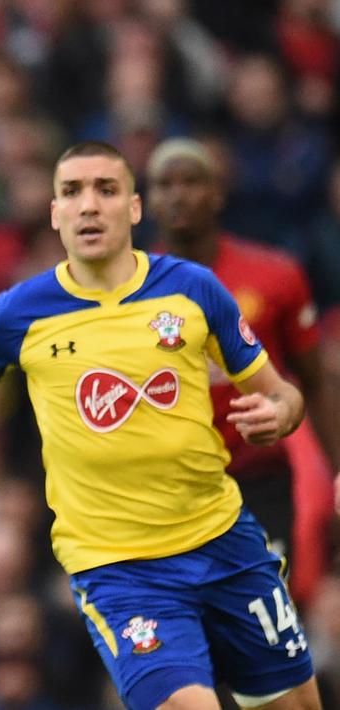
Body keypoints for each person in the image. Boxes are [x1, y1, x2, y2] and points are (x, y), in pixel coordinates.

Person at [0, 141, 323, 710]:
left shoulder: (193, 289)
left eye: (106, 190)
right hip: (122, 572)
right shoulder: (17, 314)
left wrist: (281, 413)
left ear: (135, 208)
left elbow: (282, 392)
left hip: (224, 543)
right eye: (72, 192)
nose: (88, 205)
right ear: (55, 214)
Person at [146, 137, 339, 571]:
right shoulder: (125, 293)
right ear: (147, 201)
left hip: (258, 479)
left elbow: (315, 381)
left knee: (265, 603)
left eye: (191, 182)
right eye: (164, 185)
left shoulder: (276, 276)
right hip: (169, 489)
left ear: (217, 193)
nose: (178, 195)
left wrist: (337, 470)